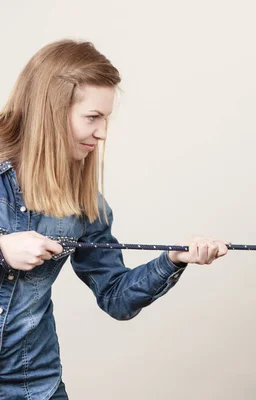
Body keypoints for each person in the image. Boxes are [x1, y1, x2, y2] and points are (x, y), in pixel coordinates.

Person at [0, 40, 229, 399]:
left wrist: (172, 260)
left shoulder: (85, 203)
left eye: (105, 119)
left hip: (35, 387)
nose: (102, 132)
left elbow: (116, 298)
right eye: (92, 117)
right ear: (50, 111)